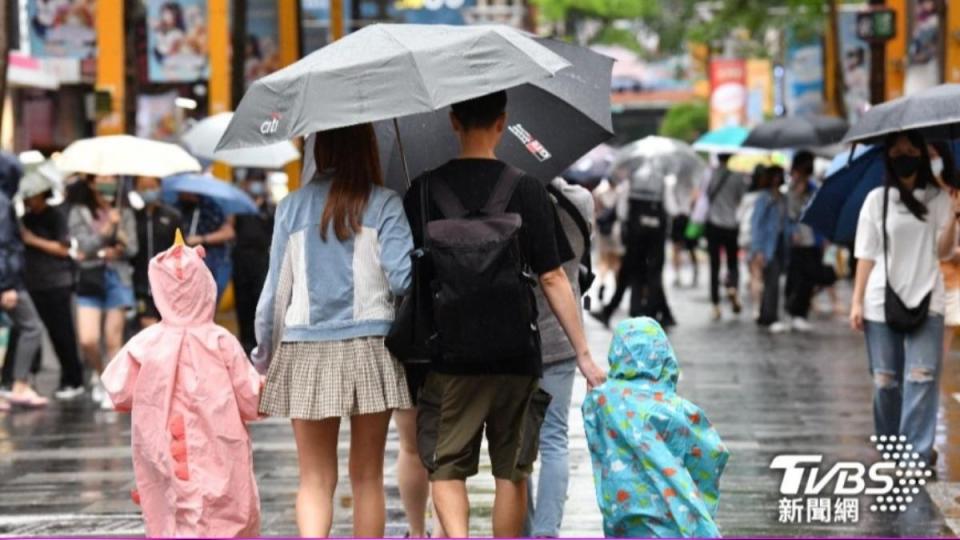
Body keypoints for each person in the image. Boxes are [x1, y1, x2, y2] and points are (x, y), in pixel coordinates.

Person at [402, 91, 606, 537]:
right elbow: (553, 279)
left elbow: (408, 273)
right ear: (503, 122)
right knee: (512, 470)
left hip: (449, 354)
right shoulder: (528, 187)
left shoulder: (422, 190)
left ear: (453, 122)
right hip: (516, 352)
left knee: (446, 468)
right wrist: (584, 354)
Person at [254, 123, 414, 537]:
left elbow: (275, 295)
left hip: (306, 348)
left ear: (317, 151)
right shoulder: (384, 204)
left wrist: (265, 357)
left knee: (314, 479)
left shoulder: (291, 207)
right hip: (372, 347)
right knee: (367, 476)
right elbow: (403, 282)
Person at [102, 232, 262, 537]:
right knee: (224, 505)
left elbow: (119, 391)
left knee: (172, 508)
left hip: (162, 446)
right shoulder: (221, 341)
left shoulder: (146, 343)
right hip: (219, 443)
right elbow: (251, 398)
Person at [850, 130, 959, 466]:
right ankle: (890, 447)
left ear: (922, 155)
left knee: (922, 378)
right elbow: (865, 255)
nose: (904, 155)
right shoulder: (877, 200)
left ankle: (914, 455)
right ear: (888, 157)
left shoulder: (939, 199)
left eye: (910, 149)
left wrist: (954, 216)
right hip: (880, 301)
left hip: (929, 298)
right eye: (896, 151)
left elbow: (943, 252)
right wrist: (856, 302)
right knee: (885, 382)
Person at [583, 317, 729, 538]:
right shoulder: (676, 409)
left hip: (622, 508)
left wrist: (597, 391)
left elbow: (593, 425)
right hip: (668, 510)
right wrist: (702, 499)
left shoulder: (602, 401)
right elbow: (712, 452)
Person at [525, 177, 594, 538]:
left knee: (518, 446)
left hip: (516, 338)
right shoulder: (581, 200)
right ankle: (546, 532)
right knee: (554, 439)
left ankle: (522, 530)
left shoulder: (509, 199)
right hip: (563, 334)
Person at [67, 175, 138, 409]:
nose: (108, 182)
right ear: (91, 182)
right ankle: (101, 374)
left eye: (111, 178)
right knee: (88, 340)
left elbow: (133, 248)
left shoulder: (124, 211)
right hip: (89, 278)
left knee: (113, 339)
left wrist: (120, 239)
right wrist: (107, 229)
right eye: (102, 178)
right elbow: (84, 246)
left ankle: (112, 387)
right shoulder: (79, 212)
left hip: (117, 278)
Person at [18, 170, 85, 399]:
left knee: (62, 334)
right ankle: (28, 380)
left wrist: (33, 240)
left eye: (33, 196)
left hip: (56, 283)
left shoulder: (56, 215)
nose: (29, 200)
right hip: (33, 282)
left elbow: (63, 249)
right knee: (33, 333)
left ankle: (73, 379)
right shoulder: (26, 218)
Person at [0, 156, 48, 408]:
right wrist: (7, 285)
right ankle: (19, 385)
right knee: (32, 327)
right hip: (7, 281)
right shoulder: (2, 202)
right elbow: (3, 245)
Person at [784, 151, 834, 332]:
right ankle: (791, 311)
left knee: (810, 277)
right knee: (794, 278)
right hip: (795, 242)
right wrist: (796, 194)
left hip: (813, 241)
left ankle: (800, 312)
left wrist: (824, 238)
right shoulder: (790, 190)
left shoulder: (813, 189)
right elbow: (789, 216)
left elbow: (819, 213)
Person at [132, 176, 182, 328]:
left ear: (159, 187)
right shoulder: (132, 216)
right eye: (143, 187)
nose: (148, 191)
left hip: (168, 284)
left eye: (152, 187)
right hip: (140, 284)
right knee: (148, 327)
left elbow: (180, 249)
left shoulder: (172, 216)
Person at [232, 177, 273, 354]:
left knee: (259, 301)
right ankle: (245, 341)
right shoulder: (239, 207)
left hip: (261, 259)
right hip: (241, 260)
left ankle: (259, 341)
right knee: (243, 301)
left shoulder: (270, 208)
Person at [705, 154, 748, 320]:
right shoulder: (737, 176)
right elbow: (741, 198)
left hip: (713, 225)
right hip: (731, 225)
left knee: (714, 265)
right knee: (732, 262)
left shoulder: (710, 175)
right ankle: (733, 288)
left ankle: (715, 305)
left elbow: (707, 196)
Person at [929, 142, 960, 362]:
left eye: (933, 154)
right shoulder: (922, 193)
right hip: (925, 281)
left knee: (940, 351)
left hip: (952, 283)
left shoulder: (955, 192)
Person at [176, 193, 235, 302]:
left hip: (213, 260)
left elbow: (228, 232)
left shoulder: (213, 207)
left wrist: (201, 239)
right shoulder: (176, 208)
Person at [749, 166, 788, 331]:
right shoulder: (764, 198)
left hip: (780, 242)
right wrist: (758, 249)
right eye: (774, 176)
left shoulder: (782, 198)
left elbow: (786, 221)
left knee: (774, 279)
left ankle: (767, 315)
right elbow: (756, 224)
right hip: (767, 244)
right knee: (771, 280)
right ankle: (769, 316)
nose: (777, 179)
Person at [740, 165, 768, 319]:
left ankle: (757, 307)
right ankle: (759, 306)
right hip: (760, 239)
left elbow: (739, 217)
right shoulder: (767, 196)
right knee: (760, 274)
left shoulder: (748, 197)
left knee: (754, 273)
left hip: (746, 237)